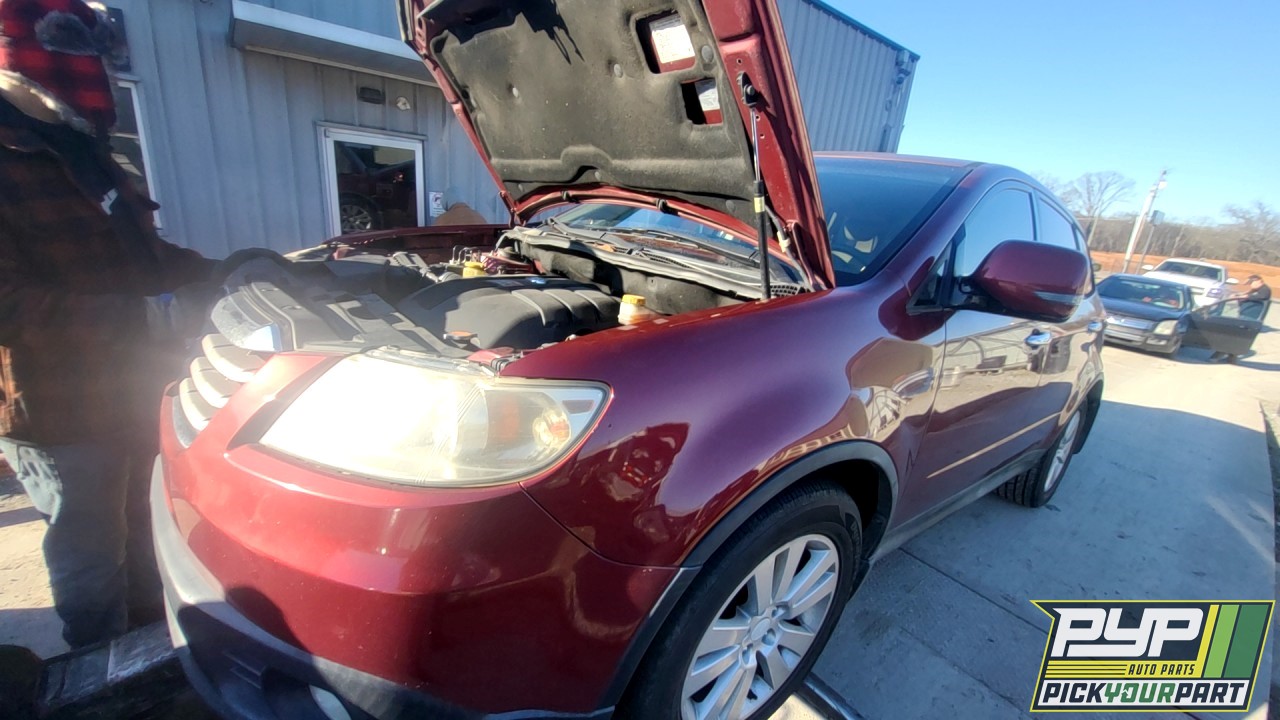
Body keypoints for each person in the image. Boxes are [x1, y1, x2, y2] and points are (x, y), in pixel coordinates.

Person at [0, 0, 217, 648]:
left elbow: (148, 257)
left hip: (130, 396)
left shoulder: (88, 154)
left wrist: (230, 271)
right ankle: (97, 678)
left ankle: (151, 668)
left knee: (150, 548)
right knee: (93, 565)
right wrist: (144, 317)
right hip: (60, 413)